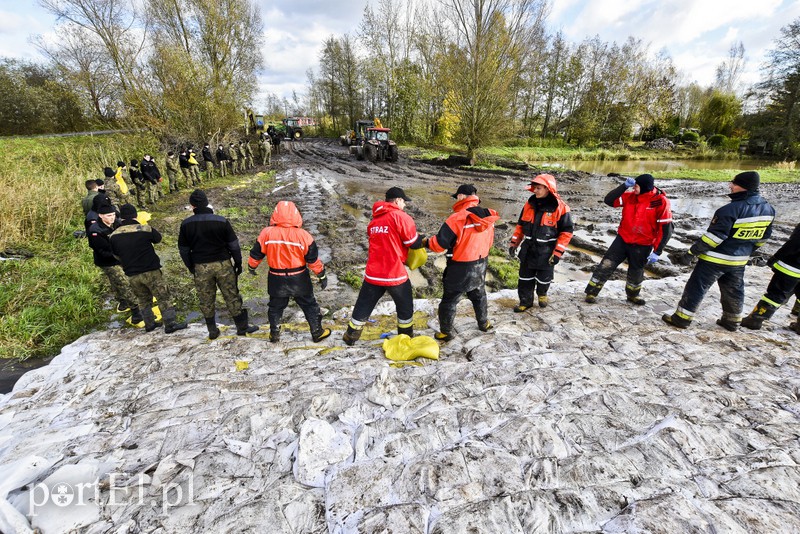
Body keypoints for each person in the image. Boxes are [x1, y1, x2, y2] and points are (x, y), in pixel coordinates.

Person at [663, 171, 775, 331]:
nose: (730, 186)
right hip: (739, 260)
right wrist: (747, 250)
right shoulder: (768, 209)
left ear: (743, 187)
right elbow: (764, 238)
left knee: (696, 287)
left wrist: (691, 254)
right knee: (734, 290)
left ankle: (681, 319)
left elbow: (713, 238)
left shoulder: (730, 209)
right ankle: (732, 321)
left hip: (714, 260)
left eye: (734, 184)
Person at [342, 187, 425, 345]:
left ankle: (350, 335)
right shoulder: (401, 217)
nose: (405, 205)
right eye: (404, 202)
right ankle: (406, 337)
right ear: (397, 201)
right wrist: (424, 239)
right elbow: (412, 243)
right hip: (394, 273)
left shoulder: (374, 220)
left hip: (373, 273)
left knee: (364, 304)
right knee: (405, 305)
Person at [247, 200, 331, 343]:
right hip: (299, 278)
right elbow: (312, 260)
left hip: (276, 278)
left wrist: (251, 267)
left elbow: (256, 255)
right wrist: (321, 275)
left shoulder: (266, 233)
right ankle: (317, 332)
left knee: (275, 306)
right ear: (296, 214)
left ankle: (274, 334)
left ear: (275, 214)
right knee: (309, 305)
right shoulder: (304, 236)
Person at [178, 190, 257, 339]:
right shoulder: (221, 221)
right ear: (207, 203)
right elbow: (234, 245)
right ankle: (242, 327)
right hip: (223, 264)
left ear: (192, 206)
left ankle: (212, 330)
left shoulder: (186, 224)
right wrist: (238, 262)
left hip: (201, 266)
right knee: (231, 295)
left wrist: (190, 266)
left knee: (206, 298)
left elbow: (183, 250)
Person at [584, 173, 672, 305]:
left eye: (636, 186)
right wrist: (623, 186)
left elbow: (666, 229)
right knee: (606, 265)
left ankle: (632, 296)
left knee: (636, 272)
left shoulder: (660, 201)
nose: (633, 188)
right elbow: (609, 200)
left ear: (645, 187)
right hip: (623, 239)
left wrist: (657, 251)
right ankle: (591, 292)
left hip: (643, 244)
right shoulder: (630, 196)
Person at [426, 184, 499, 341]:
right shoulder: (488, 216)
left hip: (460, 266)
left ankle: (446, 332)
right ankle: (484, 323)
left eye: (457, 196)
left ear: (461, 196)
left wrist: (425, 242)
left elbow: (439, 245)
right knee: (479, 294)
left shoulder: (457, 218)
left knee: (449, 301)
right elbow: (490, 242)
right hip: (480, 264)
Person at [109, 203, 188, 334]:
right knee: (163, 296)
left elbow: (116, 256)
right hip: (151, 270)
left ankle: (149, 324)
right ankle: (170, 324)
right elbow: (158, 239)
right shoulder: (145, 229)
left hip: (132, 274)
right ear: (135, 215)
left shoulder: (113, 235)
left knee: (143, 300)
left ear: (121, 218)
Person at [508, 174, 574, 311]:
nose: (535, 191)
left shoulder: (561, 208)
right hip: (528, 249)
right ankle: (525, 302)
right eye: (534, 188)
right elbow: (520, 225)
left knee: (544, 277)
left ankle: (542, 294)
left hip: (547, 251)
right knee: (525, 278)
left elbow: (566, 232)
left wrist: (557, 253)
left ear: (548, 188)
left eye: (538, 188)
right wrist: (514, 243)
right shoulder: (529, 204)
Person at [88, 202, 142, 322]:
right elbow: (102, 251)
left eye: (113, 214)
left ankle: (122, 302)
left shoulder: (116, 223)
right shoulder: (95, 230)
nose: (112, 217)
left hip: (118, 257)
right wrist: (122, 257)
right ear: (100, 216)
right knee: (123, 282)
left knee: (115, 281)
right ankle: (136, 312)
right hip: (107, 261)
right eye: (108, 216)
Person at [740, 222, 800, 333]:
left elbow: (794, 244)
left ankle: (755, 319)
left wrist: (776, 257)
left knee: (776, 294)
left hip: (792, 267)